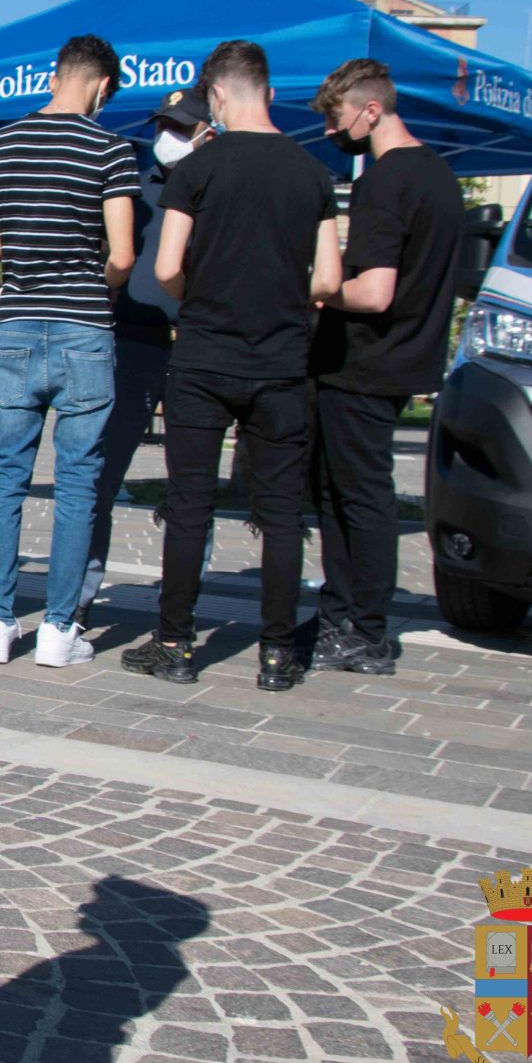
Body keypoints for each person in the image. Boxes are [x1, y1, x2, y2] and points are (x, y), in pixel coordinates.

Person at [126, 40, 342, 692]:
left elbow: (165, 268)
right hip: (281, 360)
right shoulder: (312, 173)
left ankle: (175, 642)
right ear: (268, 92)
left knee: (190, 504)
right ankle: (278, 654)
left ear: (216, 96)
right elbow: (328, 278)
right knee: (280, 512)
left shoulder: (197, 168)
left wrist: (210, 296)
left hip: (202, 356)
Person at [0, 35, 138, 667]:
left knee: (5, 475)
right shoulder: (112, 150)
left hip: (16, 325)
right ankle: (60, 631)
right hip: (85, 327)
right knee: (79, 480)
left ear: (55, 74)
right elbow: (121, 256)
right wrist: (90, 275)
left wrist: (27, 252)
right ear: (102, 84)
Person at [308, 58, 463, 676]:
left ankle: (361, 631)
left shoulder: (385, 181)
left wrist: (317, 287)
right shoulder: (439, 177)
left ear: (370, 110)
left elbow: (373, 292)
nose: (329, 131)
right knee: (356, 495)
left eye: (335, 116)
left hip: (363, 363)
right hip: (405, 361)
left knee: (355, 499)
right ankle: (345, 616)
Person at [76, 86, 215, 628]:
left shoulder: (220, 185)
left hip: (198, 345)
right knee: (100, 474)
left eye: (181, 128)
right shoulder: (133, 179)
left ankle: (183, 604)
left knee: (192, 484)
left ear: (209, 129)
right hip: (132, 340)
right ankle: (80, 597)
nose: (168, 138)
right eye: (165, 126)